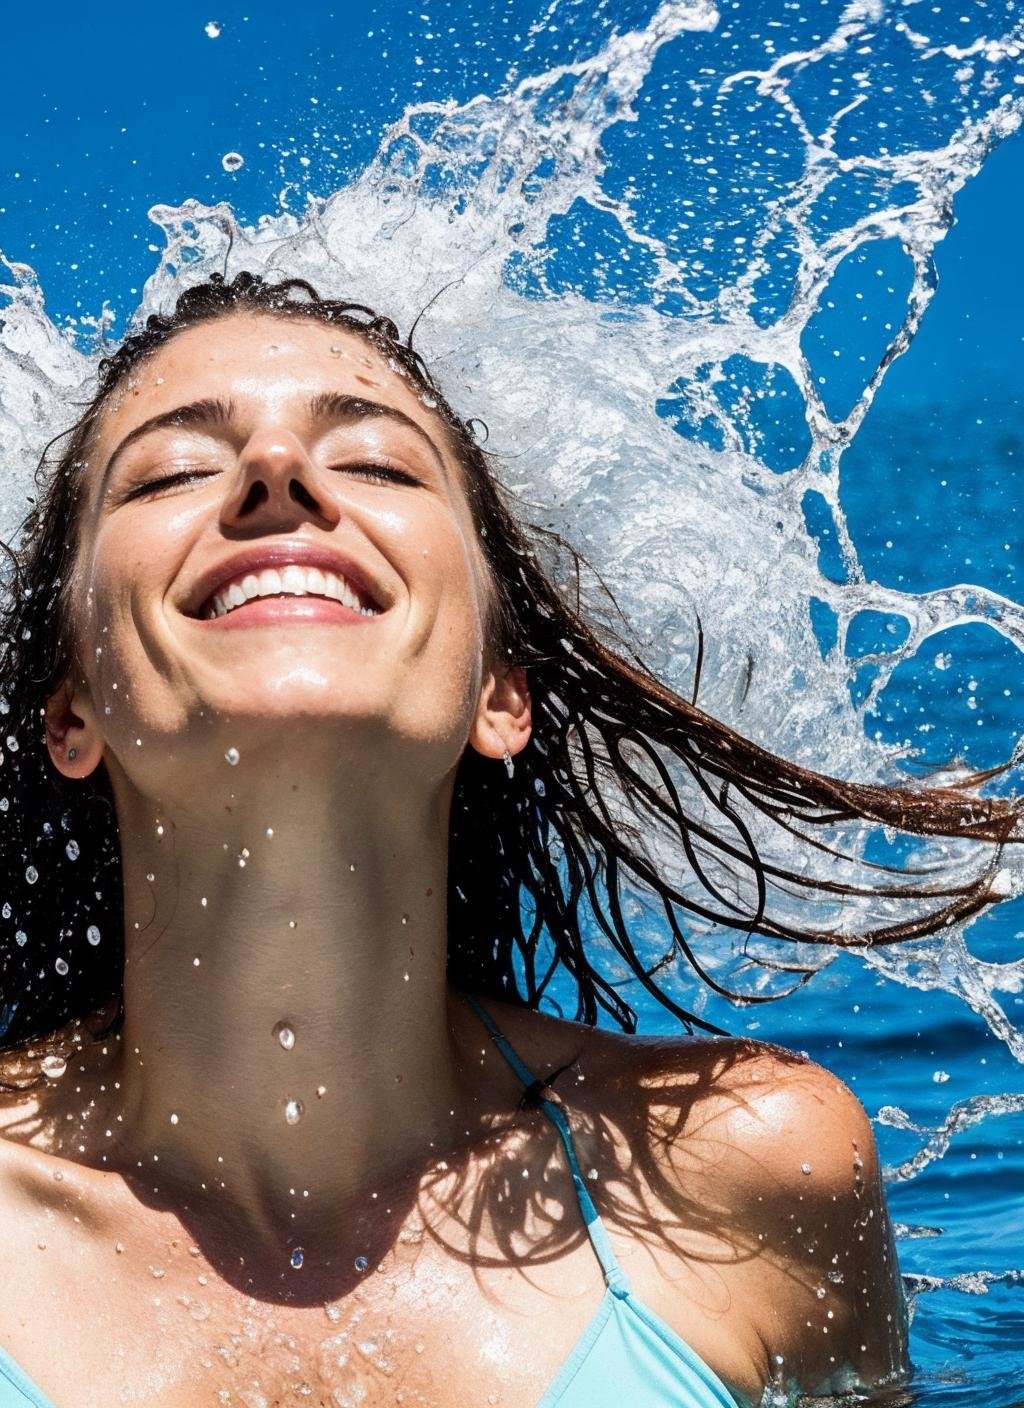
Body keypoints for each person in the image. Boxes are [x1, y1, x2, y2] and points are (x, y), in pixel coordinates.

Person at [0, 273, 1015, 1408]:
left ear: (500, 692)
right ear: (72, 705)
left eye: (378, 464)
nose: (274, 473)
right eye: (174, 470)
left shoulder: (743, 1172)